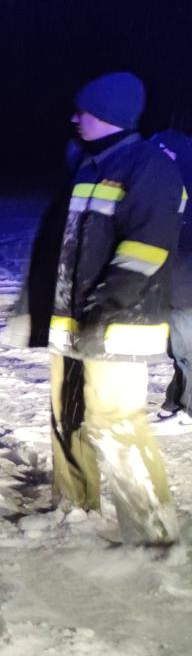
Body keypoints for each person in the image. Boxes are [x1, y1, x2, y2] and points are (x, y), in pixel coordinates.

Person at [47, 73, 181, 543]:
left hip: (119, 320)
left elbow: (147, 247)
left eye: (82, 110)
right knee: (66, 412)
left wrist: (106, 306)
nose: (74, 117)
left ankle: (152, 531)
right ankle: (73, 504)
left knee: (116, 423)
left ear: (107, 114)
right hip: (72, 317)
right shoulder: (90, 165)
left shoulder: (149, 167)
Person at [150, 117, 192, 434]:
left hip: (185, 283)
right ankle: (176, 400)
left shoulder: (180, 184)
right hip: (175, 282)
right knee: (177, 347)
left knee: (185, 348)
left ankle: (187, 408)